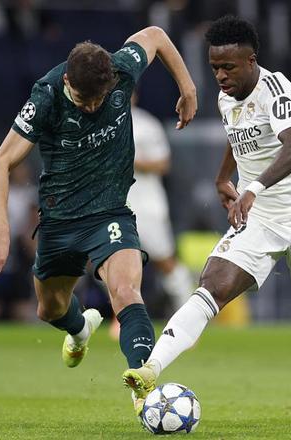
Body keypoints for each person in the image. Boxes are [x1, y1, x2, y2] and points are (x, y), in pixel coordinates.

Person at [123, 15, 291, 415]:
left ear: (251, 61)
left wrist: (252, 189)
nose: (220, 76)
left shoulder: (276, 89)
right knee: (213, 283)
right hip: (259, 218)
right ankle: (150, 368)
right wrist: (222, 177)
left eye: (228, 67)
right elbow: (238, 137)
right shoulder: (225, 98)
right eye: (214, 67)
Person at [0, 26, 197, 399]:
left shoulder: (121, 67)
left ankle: (144, 389)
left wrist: (187, 87)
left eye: (100, 98)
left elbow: (156, 36)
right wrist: (0, 232)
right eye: (85, 100)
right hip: (60, 220)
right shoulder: (46, 97)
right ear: (68, 81)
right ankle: (80, 330)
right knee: (50, 309)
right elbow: (1, 162)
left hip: (110, 212)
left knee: (126, 291)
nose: (94, 107)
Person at [109, 92, 194, 338]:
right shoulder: (102, 123)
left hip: (147, 204)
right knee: (114, 261)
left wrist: (130, 160)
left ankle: (188, 317)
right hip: (116, 203)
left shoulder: (146, 124)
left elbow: (163, 163)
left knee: (164, 260)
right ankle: (122, 318)